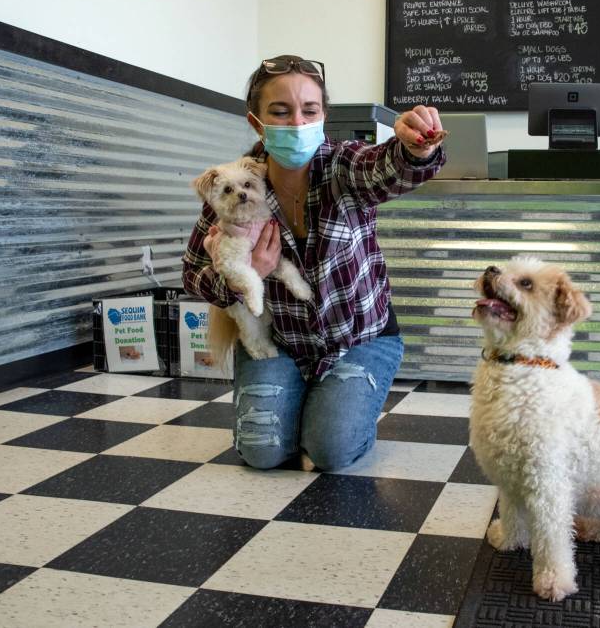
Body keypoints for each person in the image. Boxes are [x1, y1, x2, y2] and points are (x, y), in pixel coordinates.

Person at [182, 55, 446, 471]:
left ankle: (329, 404)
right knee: (262, 453)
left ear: (323, 116)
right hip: (281, 342)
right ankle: (307, 396)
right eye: (280, 112)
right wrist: (245, 279)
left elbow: (387, 169)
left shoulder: (344, 166)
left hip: (359, 337)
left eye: (309, 110)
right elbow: (193, 274)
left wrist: (416, 148)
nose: (297, 123)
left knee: (330, 450)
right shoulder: (235, 185)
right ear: (257, 123)